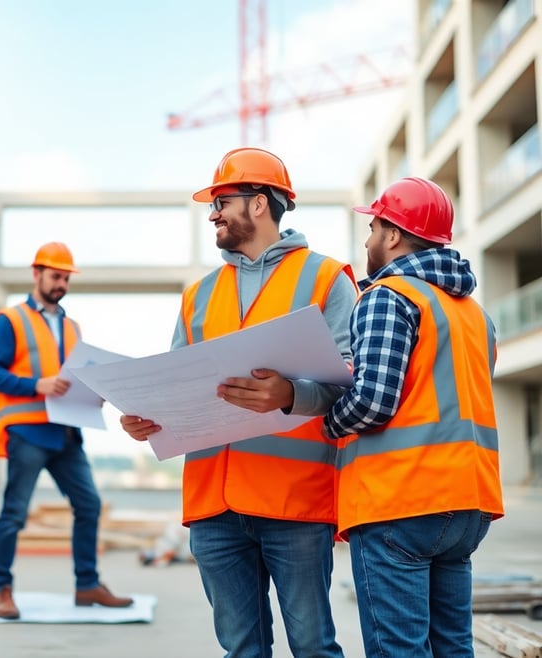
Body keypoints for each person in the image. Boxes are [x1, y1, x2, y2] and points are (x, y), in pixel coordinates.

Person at [121, 147, 357, 657]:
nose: (212, 213)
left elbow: (350, 384)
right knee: (241, 650)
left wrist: (291, 394)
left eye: (222, 201)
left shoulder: (326, 279)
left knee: (313, 646)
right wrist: (148, 416)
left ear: (258, 204)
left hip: (293, 501)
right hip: (214, 505)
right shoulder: (199, 295)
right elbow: (176, 384)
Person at [322, 177, 504, 657]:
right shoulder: (474, 315)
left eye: (374, 227)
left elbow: (373, 403)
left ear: (395, 235)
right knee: (452, 648)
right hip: (467, 502)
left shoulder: (387, 296)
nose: (367, 240)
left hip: (401, 500)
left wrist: (327, 421)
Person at [0, 241, 133, 619]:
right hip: (29, 432)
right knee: (14, 513)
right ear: (36, 274)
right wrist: (38, 384)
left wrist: (92, 393)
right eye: (55, 276)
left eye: (65, 278)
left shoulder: (72, 326)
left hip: (66, 433)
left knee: (89, 505)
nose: (61, 283)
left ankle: (87, 585)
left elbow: (73, 376)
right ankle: (1, 589)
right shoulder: (10, 320)